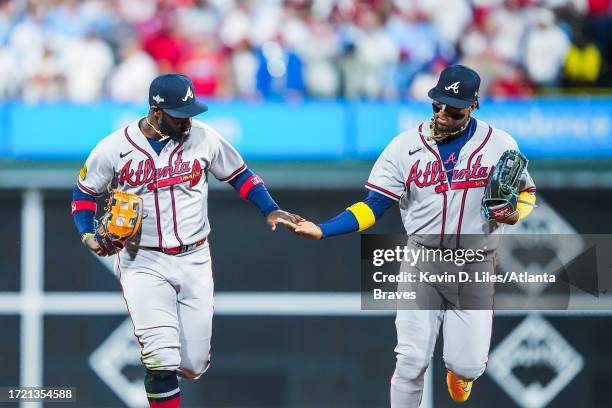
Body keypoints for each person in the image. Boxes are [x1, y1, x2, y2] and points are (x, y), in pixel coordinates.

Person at [292, 65, 537, 406]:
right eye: (437, 105)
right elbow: (374, 206)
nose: (442, 114)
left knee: (467, 364)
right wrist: (324, 229)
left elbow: (527, 193)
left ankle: (462, 374)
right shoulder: (404, 146)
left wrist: (514, 214)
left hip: (475, 261)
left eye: (453, 109)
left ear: (474, 105)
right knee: (410, 361)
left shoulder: (500, 144)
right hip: (423, 259)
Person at [71, 73, 302, 408]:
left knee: (193, 365)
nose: (188, 121)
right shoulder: (113, 148)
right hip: (142, 260)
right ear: (155, 112)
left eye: (191, 113)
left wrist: (270, 208)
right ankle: (159, 370)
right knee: (161, 358)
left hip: (195, 257)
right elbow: (83, 195)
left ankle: (165, 374)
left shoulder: (205, 139)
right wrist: (88, 235)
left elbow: (241, 175)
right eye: (180, 115)